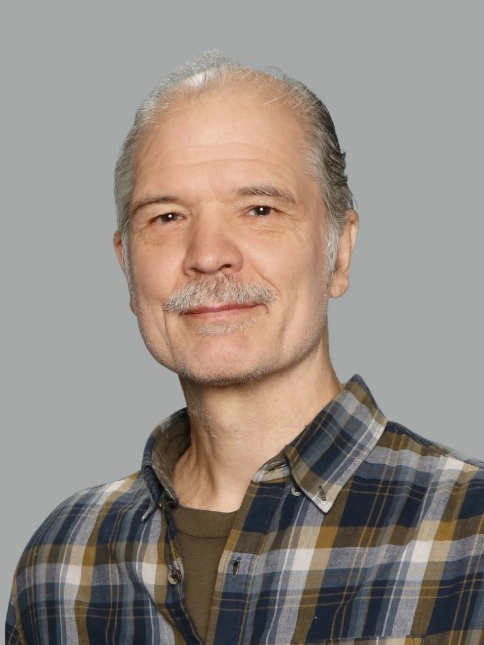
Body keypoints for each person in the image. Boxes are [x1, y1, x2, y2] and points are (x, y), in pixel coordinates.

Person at [6, 51, 484, 645]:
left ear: (339, 252)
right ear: (126, 266)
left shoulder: (469, 534)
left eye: (260, 209)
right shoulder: (61, 564)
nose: (208, 254)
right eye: (167, 216)